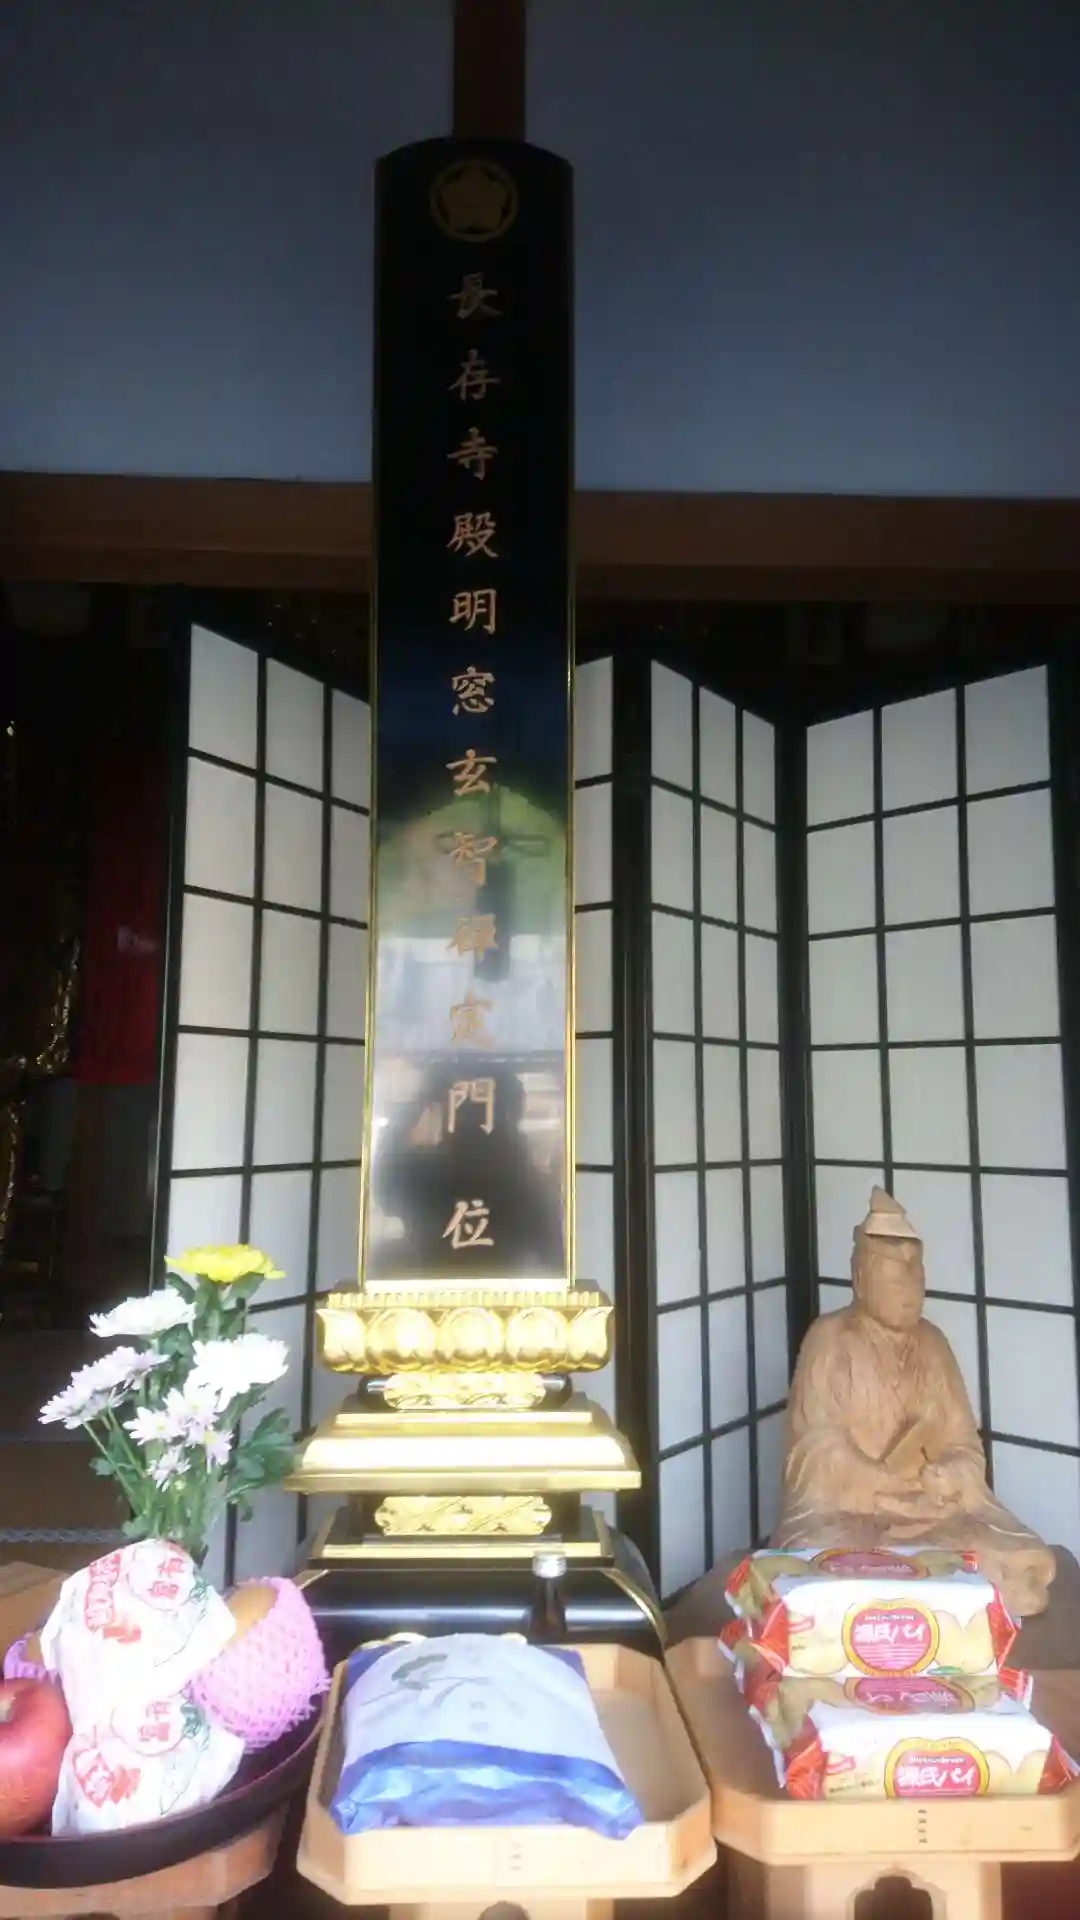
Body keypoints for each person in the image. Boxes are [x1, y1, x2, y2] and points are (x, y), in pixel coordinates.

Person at [773, 1187, 1055, 1619]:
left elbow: (963, 1442)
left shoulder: (933, 1344)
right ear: (860, 1281)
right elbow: (813, 1447)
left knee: (1020, 1556)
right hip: (855, 1512)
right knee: (815, 1557)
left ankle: (909, 1597)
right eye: (894, 1283)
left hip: (933, 1512)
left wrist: (950, 1474)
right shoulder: (829, 1339)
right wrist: (874, 1478)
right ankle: (937, 1598)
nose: (909, 1294)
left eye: (917, 1282)